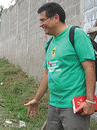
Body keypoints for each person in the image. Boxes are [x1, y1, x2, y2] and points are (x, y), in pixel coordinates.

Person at [24, 2, 96, 130]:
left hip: (74, 105)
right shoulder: (50, 43)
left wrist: (90, 101)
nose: (40, 25)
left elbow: (89, 67)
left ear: (56, 18)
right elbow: (47, 74)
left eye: (42, 20)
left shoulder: (76, 34)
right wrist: (37, 99)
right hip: (54, 104)